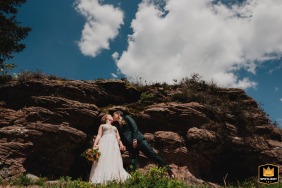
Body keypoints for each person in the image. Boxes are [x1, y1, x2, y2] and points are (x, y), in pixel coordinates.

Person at [112, 110, 175, 178]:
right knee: (133, 162)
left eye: (113, 115)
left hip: (139, 141)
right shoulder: (117, 125)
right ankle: (134, 178)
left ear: (118, 114)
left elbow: (134, 127)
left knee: (152, 155)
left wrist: (135, 139)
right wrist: (123, 145)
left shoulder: (126, 117)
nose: (113, 117)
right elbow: (122, 136)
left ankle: (169, 171)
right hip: (131, 146)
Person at [89, 114, 130, 185]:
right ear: (106, 117)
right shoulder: (102, 126)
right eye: (110, 115)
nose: (112, 116)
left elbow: (118, 138)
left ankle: (113, 178)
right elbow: (99, 135)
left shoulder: (115, 127)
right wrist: (94, 144)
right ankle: (102, 179)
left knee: (113, 159)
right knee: (103, 158)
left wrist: (121, 144)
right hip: (104, 143)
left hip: (114, 145)